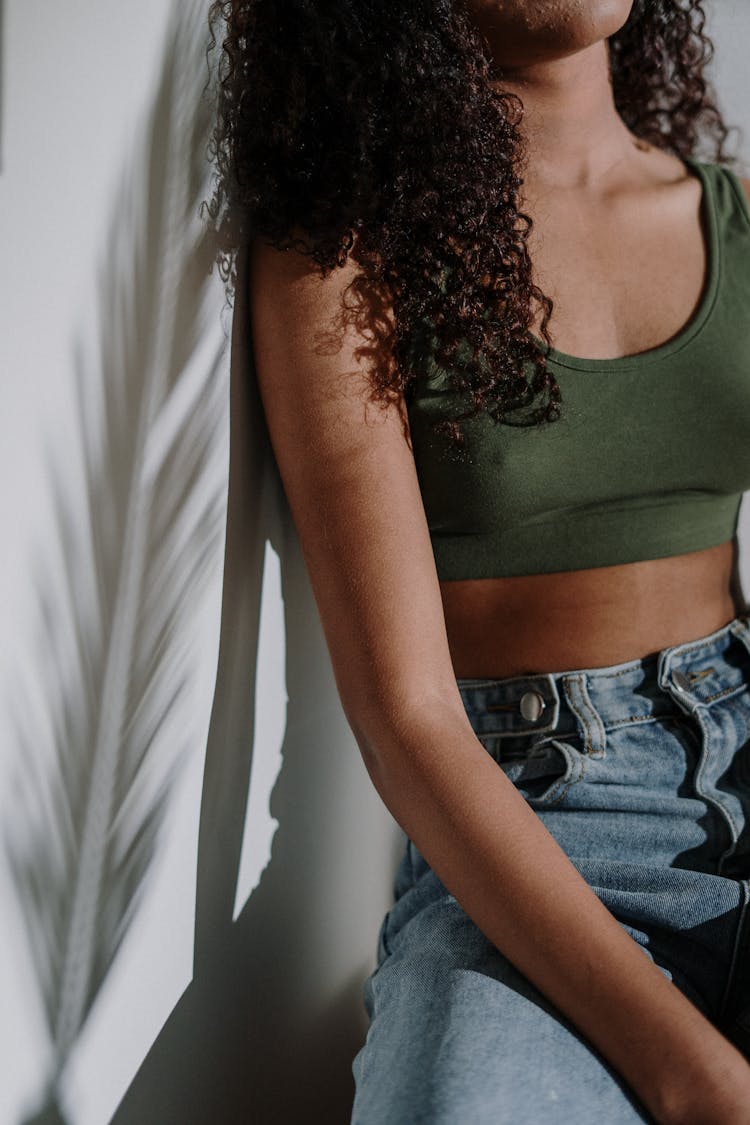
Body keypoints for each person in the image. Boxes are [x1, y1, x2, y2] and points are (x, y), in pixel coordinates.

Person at [206, 1, 750, 1121]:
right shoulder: (345, 253)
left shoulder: (733, 216)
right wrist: (694, 1075)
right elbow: (407, 714)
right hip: (531, 828)